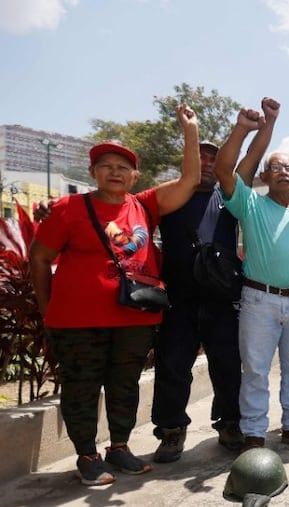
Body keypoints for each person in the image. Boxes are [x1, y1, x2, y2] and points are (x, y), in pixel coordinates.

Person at [28, 105, 200, 485]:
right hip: (77, 320)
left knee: (125, 384)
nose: (115, 172)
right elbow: (39, 259)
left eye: (123, 167)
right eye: (106, 165)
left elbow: (190, 179)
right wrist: (47, 308)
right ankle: (87, 456)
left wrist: (190, 130)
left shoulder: (144, 205)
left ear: (135, 175)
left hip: (134, 317)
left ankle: (119, 447)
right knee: (82, 386)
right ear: (93, 173)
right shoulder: (68, 209)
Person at [150, 99, 283, 462]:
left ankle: (230, 424)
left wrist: (268, 122)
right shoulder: (170, 195)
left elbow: (253, 157)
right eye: (201, 156)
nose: (208, 163)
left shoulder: (229, 195)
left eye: (213, 157)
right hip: (179, 297)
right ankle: (172, 431)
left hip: (222, 297)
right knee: (173, 364)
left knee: (228, 365)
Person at [215, 105, 289, 451]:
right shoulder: (249, 204)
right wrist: (260, 127)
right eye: (275, 167)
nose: (283, 172)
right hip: (259, 299)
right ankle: (254, 432)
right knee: (257, 370)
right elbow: (224, 169)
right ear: (264, 176)